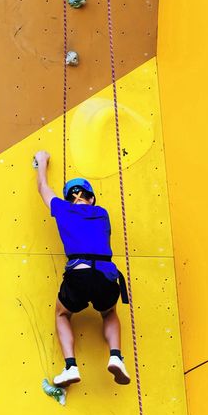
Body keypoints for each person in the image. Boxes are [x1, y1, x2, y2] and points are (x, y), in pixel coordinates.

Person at [34, 150, 131, 387]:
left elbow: (43, 188)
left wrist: (42, 162)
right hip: (106, 273)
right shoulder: (102, 214)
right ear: (91, 198)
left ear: (70, 199)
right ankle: (116, 357)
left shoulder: (64, 210)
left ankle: (70, 367)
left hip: (79, 270)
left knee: (62, 313)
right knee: (108, 312)